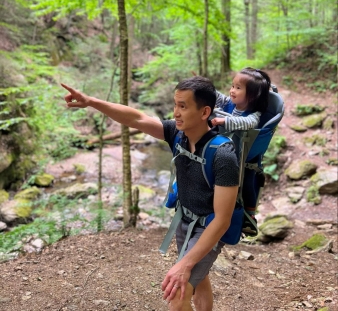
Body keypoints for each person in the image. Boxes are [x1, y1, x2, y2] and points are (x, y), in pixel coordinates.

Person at [61, 76, 239, 311]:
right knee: (199, 277)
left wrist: (184, 263)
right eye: (175, 104)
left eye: (183, 106)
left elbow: (222, 220)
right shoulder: (177, 135)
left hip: (208, 228)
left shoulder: (223, 155)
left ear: (205, 112)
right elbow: (136, 118)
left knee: (178, 292)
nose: (175, 113)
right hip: (183, 220)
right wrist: (92, 101)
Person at [210, 67, 271, 234]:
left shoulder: (254, 114)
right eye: (232, 86)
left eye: (238, 88)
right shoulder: (230, 103)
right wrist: (207, 89)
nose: (232, 91)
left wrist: (223, 121)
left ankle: (250, 215)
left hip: (245, 155)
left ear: (252, 95)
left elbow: (246, 124)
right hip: (226, 151)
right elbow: (219, 97)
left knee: (249, 182)